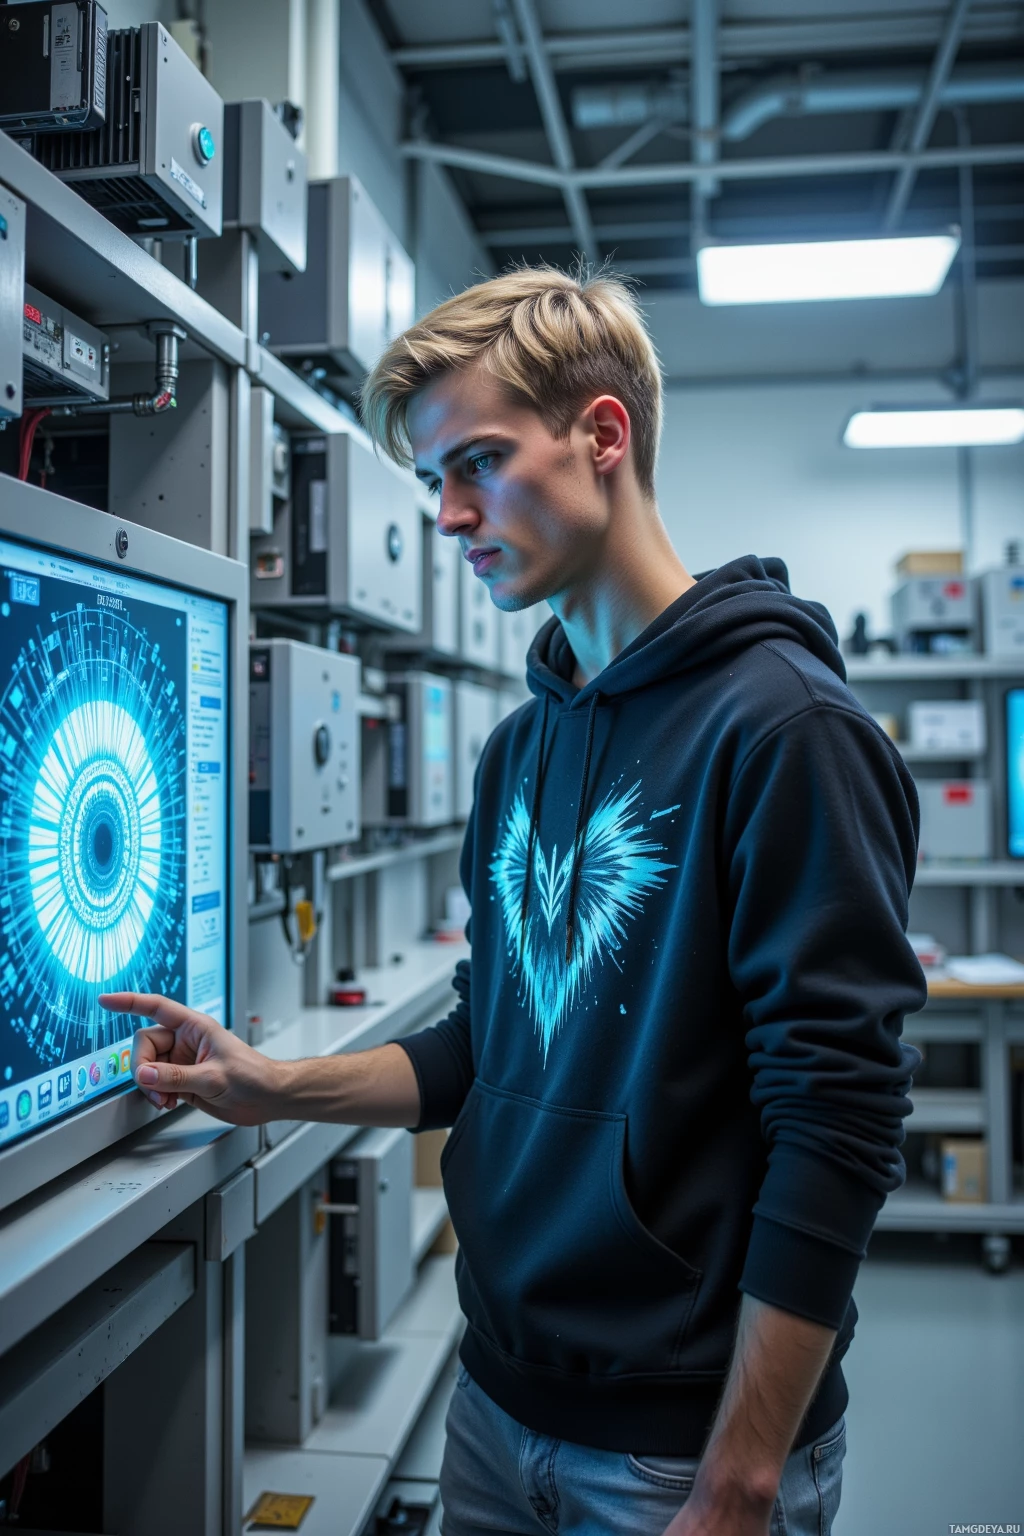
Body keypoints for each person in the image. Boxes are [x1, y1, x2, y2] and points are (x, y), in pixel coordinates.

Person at [103, 267, 926, 1536]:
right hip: (494, 1405)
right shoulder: (520, 751)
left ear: (602, 435)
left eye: (478, 464)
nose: (448, 515)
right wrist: (273, 1085)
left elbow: (838, 1117)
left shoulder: (785, 730)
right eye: (436, 479)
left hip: (680, 1450)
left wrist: (740, 1475)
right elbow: (490, 1044)